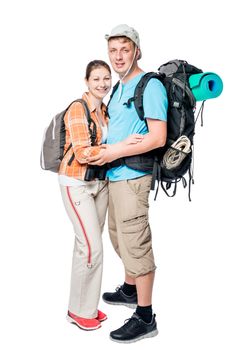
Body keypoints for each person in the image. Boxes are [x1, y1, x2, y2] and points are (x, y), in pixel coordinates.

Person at [87, 24, 168, 342]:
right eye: (113, 50)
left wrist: (116, 151)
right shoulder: (120, 86)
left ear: (137, 51)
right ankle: (131, 289)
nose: (118, 56)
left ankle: (145, 318)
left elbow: (158, 137)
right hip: (115, 176)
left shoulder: (149, 86)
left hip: (134, 177)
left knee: (136, 242)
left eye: (125, 49)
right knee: (119, 237)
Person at [58, 60, 111, 331]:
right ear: (86, 81)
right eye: (96, 79)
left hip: (99, 183)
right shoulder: (78, 108)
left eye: (106, 78)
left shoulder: (104, 110)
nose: (102, 84)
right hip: (76, 181)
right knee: (92, 247)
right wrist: (114, 150)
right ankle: (77, 310)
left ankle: (86, 305)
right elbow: (81, 153)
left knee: (88, 247)